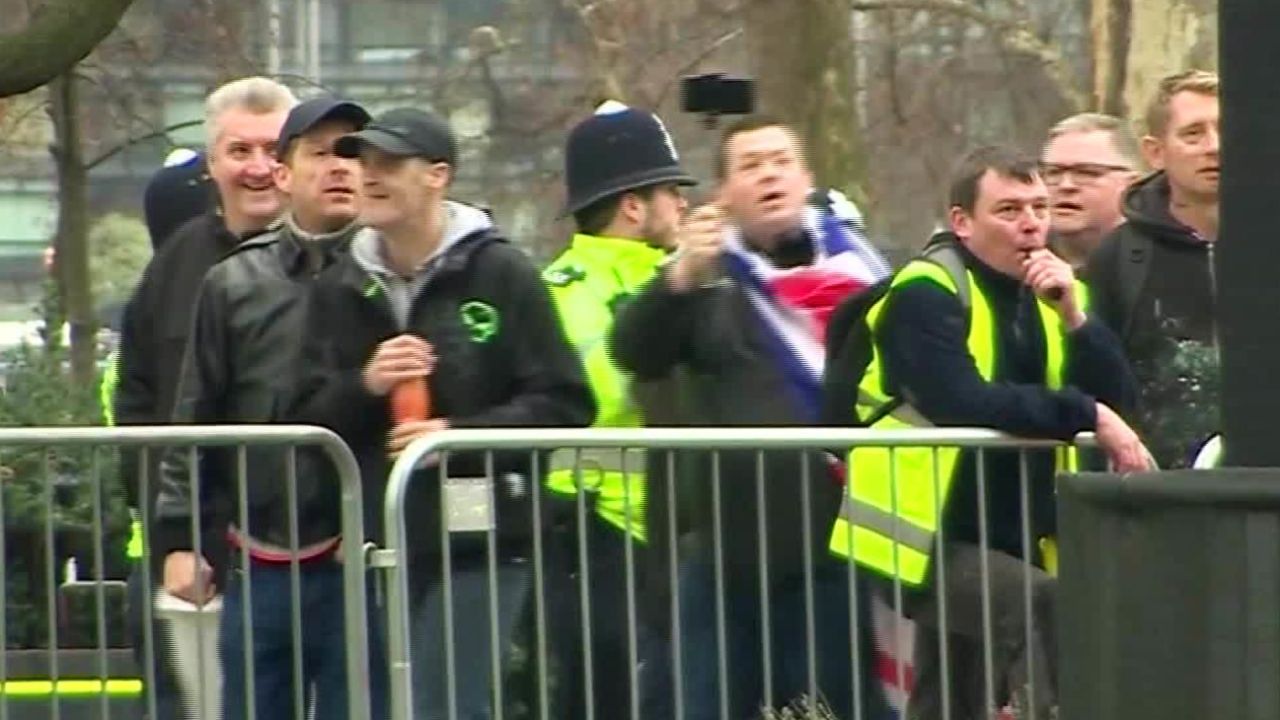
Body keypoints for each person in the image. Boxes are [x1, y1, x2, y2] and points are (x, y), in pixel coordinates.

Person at [287, 106, 594, 719]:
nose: (369, 176)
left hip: (485, 533)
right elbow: (302, 417)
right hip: (384, 540)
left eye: (390, 163)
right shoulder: (342, 284)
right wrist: (366, 383)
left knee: (446, 703)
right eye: (363, 161)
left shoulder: (500, 271)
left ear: (438, 175)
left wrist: (455, 436)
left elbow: (565, 401)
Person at [826, 145, 1153, 719]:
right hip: (918, 537)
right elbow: (961, 400)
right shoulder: (924, 292)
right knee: (1037, 605)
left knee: (950, 696)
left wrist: (1076, 318)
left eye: (1038, 207)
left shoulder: (1050, 294)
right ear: (962, 223)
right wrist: (1085, 414)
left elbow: (1120, 397)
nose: (1030, 224)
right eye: (1008, 210)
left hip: (1008, 534)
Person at [611, 115, 891, 719]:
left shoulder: (862, 276)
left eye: (780, 160)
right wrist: (680, 276)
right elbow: (634, 350)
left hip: (834, 547)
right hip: (720, 554)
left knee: (835, 706)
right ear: (724, 194)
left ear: (806, 177)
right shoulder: (706, 281)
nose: (768, 174)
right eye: (750, 165)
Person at [152, 96, 377, 720]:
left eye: (355, 153)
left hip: (362, 558)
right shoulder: (232, 282)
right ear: (284, 173)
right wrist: (179, 538)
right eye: (322, 152)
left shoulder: (394, 272)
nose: (341, 167)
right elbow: (195, 414)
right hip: (259, 557)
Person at [112, 76, 295, 719]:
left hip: (305, 553)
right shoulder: (174, 266)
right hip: (192, 558)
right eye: (239, 151)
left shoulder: (343, 257)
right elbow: (137, 408)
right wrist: (174, 541)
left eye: (274, 149)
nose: (258, 168)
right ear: (212, 162)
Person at [542, 100, 694, 718]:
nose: (683, 206)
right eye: (671, 192)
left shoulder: (674, 276)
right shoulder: (579, 287)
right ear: (633, 205)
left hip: (662, 532)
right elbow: (619, 390)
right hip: (603, 535)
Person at [1085, 70, 1221, 469]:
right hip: (1156, 498)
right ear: (1155, 152)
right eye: (1194, 134)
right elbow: (1093, 375)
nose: (1215, 147)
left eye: (1226, 129)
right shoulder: (1120, 257)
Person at [1040, 113, 1141, 269]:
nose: (1066, 185)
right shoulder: (1013, 260)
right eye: (1053, 172)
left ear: (1132, 185)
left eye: (1086, 172)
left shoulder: (1160, 264)